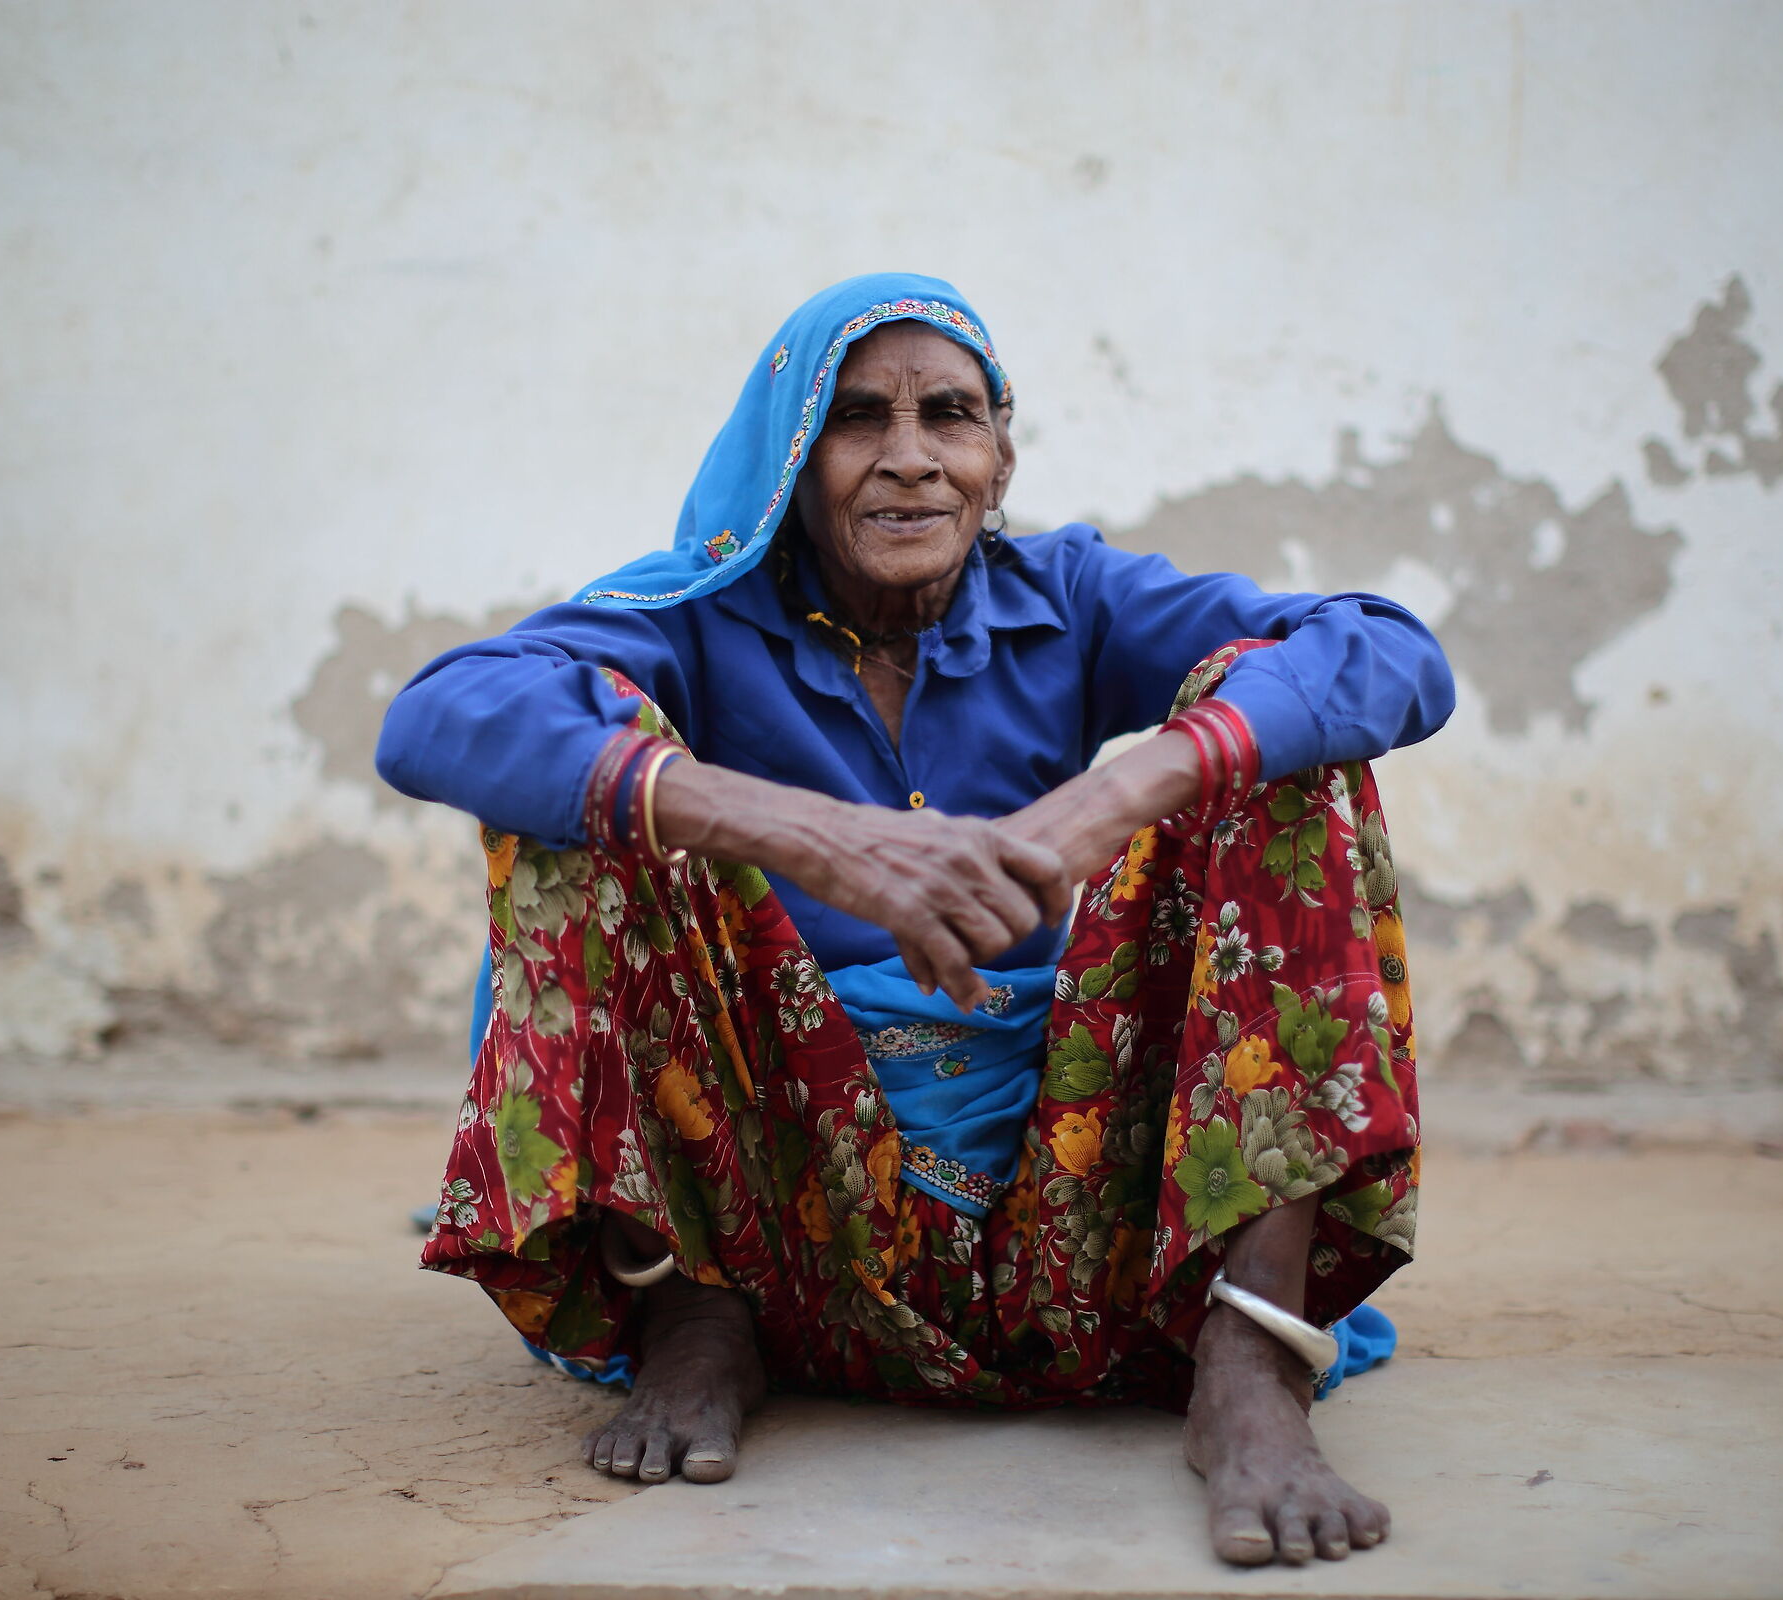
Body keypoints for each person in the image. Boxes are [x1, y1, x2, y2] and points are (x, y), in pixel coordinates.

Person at [376, 273, 1453, 1567]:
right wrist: (815, 835)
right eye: (856, 420)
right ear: (790, 455)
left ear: (1001, 454)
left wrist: (1118, 790)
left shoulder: (1074, 596)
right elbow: (441, 717)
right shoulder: (706, 619)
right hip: (791, 1228)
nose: (908, 461)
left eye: (948, 416)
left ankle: (1249, 1358)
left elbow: (1388, 651)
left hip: (1076, 1220)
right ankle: (686, 1313)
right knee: (593, 781)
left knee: (1276, 736)